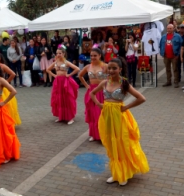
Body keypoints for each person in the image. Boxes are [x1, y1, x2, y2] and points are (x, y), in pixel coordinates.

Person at [90, 57, 149, 186]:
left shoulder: (124, 83)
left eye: (114, 68)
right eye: (109, 68)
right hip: (107, 117)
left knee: (122, 143)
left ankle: (123, 174)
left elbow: (141, 98)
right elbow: (92, 93)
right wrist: (99, 104)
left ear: (120, 69)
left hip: (120, 117)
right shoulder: (104, 83)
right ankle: (116, 172)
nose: (111, 70)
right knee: (112, 144)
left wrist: (126, 107)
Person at [78, 48, 108, 141]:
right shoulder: (88, 67)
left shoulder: (105, 66)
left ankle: (104, 135)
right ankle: (94, 134)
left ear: (100, 56)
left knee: (101, 114)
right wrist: (86, 85)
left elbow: (113, 77)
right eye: (91, 55)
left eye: (95, 55)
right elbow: (80, 75)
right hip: (92, 92)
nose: (93, 57)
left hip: (102, 92)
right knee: (93, 113)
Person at [47, 45, 80, 125]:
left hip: (65, 82)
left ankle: (70, 117)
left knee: (67, 98)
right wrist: (54, 75)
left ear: (64, 54)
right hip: (58, 82)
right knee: (59, 98)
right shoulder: (55, 62)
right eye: (57, 53)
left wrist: (69, 75)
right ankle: (61, 116)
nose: (58, 55)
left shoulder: (66, 62)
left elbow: (77, 69)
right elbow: (47, 69)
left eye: (60, 53)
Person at [0, 52, 22, 125]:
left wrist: (6, 82)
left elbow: (13, 74)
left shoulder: (2, 66)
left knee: (6, 106)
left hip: (2, 89)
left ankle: (7, 122)